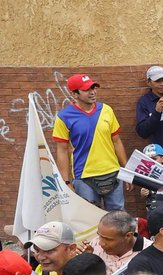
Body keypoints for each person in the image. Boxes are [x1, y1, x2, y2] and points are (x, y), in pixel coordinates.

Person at [52, 74, 128, 210]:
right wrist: (66, 182)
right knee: (90, 220)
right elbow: (62, 150)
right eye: (87, 89)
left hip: (113, 173)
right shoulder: (64, 117)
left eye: (94, 88)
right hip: (84, 177)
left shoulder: (106, 110)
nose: (93, 92)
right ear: (75, 94)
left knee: (118, 219)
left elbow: (116, 141)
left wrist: (127, 171)